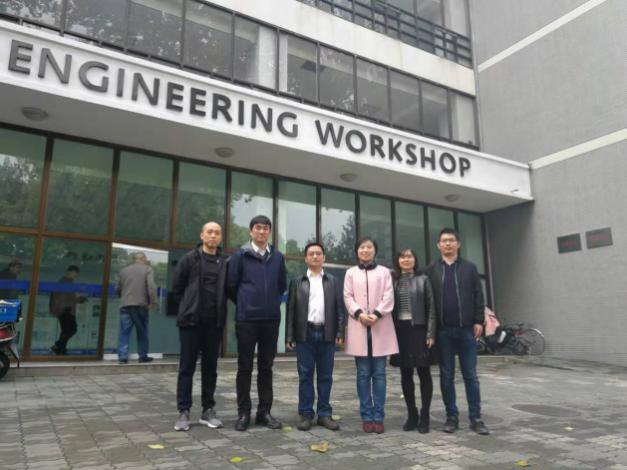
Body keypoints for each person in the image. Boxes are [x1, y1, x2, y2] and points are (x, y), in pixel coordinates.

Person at [425, 228, 489, 435]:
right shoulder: (431, 270)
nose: (448, 244)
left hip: (466, 331)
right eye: (444, 241)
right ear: (438, 245)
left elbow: (478, 295)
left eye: (451, 240)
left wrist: (479, 320)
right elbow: (428, 301)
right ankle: (451, 417)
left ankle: (476, 418)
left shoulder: (469, 268)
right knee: (446, 376)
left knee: (470, 375)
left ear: (458, 244)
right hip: (443, 332)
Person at [227, 215, 287, 431]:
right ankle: (244, 413)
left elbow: (281, 285)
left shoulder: (277, 257)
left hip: (271, 319)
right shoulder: (240, 255)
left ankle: (264, 412)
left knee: (266, 367)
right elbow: (231, 285)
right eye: (258, 228)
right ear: (251, 231)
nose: (262, 232)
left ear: (269, 231)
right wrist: (247, 302)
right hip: (247, 319)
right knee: (244, 367)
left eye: (265, 228)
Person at [171, 222, 229, 432]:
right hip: (191, 322)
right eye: (209, 232)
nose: (213, 236)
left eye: (217, 233)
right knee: (186, 368)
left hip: (214, 323)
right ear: (202, 235)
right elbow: (176, 288)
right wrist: (187, 308)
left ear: (220, 237)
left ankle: (208, 410)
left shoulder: (225, 262)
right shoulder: (190, 259)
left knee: (210, 369)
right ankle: (184, 411)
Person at [286, 242, 345, 431]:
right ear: (305, 258)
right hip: (305, 334)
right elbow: (291, 310)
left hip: (327, 334)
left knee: (326, 376)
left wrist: (340, 332)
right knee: (305, 375)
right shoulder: (297, 281)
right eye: (311, 253)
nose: (315, 256)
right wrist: (289, 336)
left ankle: (324, 414)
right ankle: (306, 414)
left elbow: (339, 309)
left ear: (323, 258)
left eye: (318, 253)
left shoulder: (333, 281)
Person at [343, 237, 397, 434]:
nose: (365, 250)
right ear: (357, 251)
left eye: (369, 247)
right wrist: (359, 314)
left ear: (375, 251)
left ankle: (379, 416)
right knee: (363, 374)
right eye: (362, 247)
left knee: (380, 374)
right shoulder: (350, 273)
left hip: (380, 326)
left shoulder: (384, 272)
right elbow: (347, 296)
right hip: (359, 326)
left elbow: (388, 296)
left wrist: (376, 314)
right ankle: (366, 416)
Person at [390, 248, 436, 433]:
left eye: (409, 256)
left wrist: (430, 333)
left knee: (424, 373)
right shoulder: (393, 281)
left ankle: (425, 415)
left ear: (415, 260)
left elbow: (431, 307)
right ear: (398, 261)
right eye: (402, 257)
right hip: (401, 331)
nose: (406, 259)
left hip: (420, 330)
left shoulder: (423, 280)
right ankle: (412, 414)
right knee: (405, 374)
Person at [117, 252, 157, 364]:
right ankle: (142, 356)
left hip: (125, 305)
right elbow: (151, 287)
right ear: (143, 258)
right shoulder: (147, 269)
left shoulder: (123, 271)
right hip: (141, 305)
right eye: (146, 258)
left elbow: (118, 288)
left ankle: (122, 357)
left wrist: (123, 297)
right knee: (142, 331)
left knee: (124, 332)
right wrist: (153, 302)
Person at [50, 265, 84, 355]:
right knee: (72, 329)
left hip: (64, 310)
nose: (75, 275)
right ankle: (57, 346)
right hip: (66, 310)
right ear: (70, 272)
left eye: (76, 273)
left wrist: (78, 299)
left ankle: (61, 350)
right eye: (75, 273)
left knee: (66, 331)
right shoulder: (66, 282)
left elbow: (69, 297)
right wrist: (78, 298)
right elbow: (65, 298)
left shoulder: (66, 282)